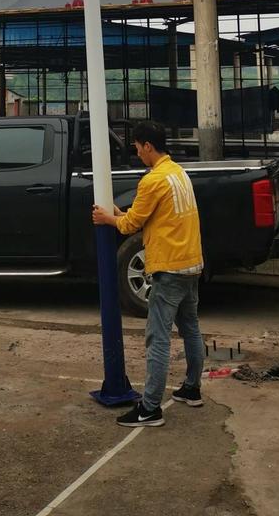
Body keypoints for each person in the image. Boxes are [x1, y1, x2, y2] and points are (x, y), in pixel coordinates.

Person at [92, 120, 205, 427]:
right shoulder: (178, 173)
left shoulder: (152, 180)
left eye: (138, 148)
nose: (137, 153)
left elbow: (130, 226)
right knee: (191, 328)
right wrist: (117, 214)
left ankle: (150, 408)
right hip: (191, 263)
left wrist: (106, 219)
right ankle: (192, 388)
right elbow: (143, 216)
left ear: (148, 146)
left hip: (169, 268)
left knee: (158, 338)